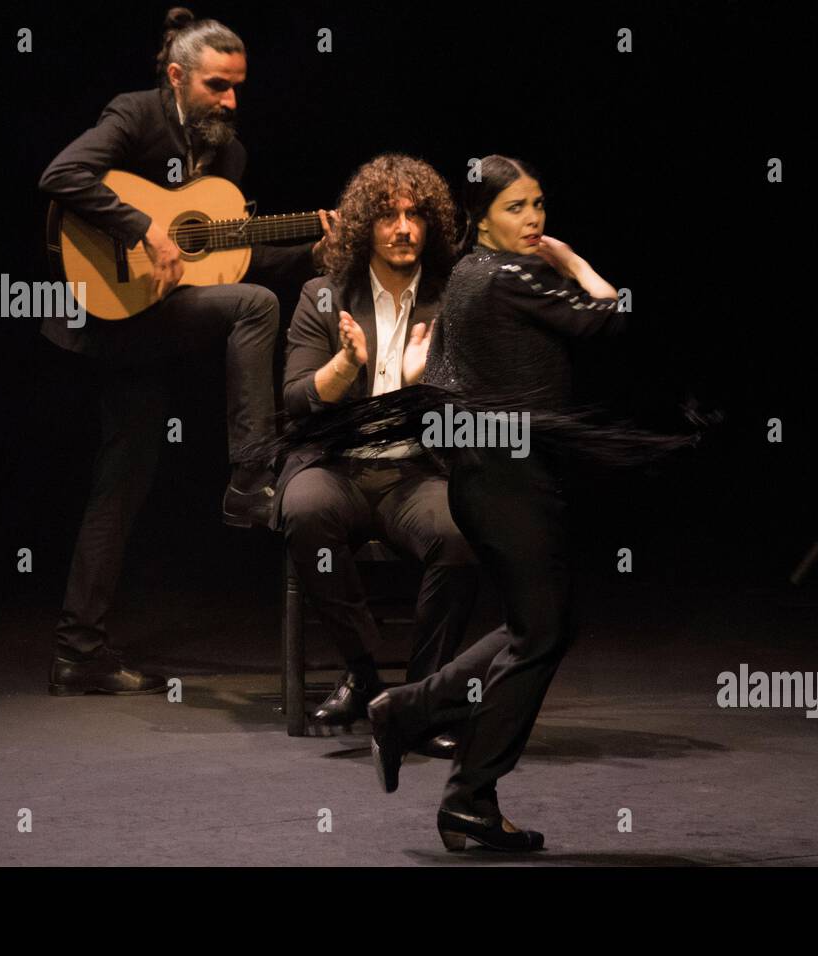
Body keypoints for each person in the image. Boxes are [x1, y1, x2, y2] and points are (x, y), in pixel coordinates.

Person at [254, 155, 708, 851]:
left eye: (539, 206)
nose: (534, 221)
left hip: (482, 477)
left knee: (542, 624)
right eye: (516, 208)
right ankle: (459, 781)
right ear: (482, 217)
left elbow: (446, 377)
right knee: (542, 631)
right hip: (503, 481)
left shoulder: (464, 278)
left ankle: (409, 716)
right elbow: (612, 319)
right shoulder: (505, 277)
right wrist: (580, 264)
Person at [38, 8, 335, 696]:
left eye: (237, 87)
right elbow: (63, 175)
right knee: (256, 310)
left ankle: (77, 651)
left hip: (158, 317)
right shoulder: (137, 113)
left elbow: (234, 253)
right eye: (216, 86)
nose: (230, 101)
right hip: (110, 313)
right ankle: (248, 478)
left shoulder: (227, 156)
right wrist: (146, 228)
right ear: (177, 76)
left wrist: (310, 243)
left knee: (123, 482)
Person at [274, 155, 478, 755]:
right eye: (388, 215)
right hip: (337, 466)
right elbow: (294, 400)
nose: (404, 227)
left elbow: (473, 414)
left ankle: (418, 698)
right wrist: (342, 368)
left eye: (415, 214)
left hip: (417, 471)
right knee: (305, 510)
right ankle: (363, 671)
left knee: (462, 532)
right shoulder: (324, 295)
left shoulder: (453, 302)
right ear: (365, 224)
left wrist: (427, 384)